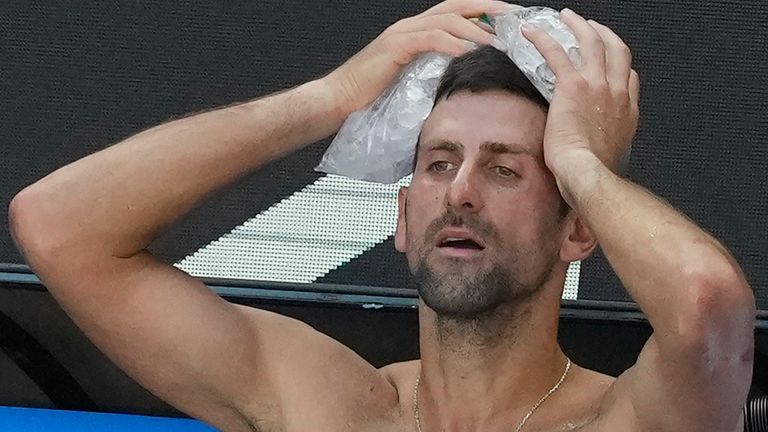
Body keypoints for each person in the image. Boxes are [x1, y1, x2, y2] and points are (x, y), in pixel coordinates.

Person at [8, 1, 755, 431]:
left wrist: (583, 160)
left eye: (505, 169)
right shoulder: (327, 404)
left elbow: (707, 308)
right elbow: (59, 226)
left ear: (577, 227)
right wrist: (328, 99)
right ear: (402, 217)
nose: (460, 192)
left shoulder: (623, 420)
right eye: (437, 163)